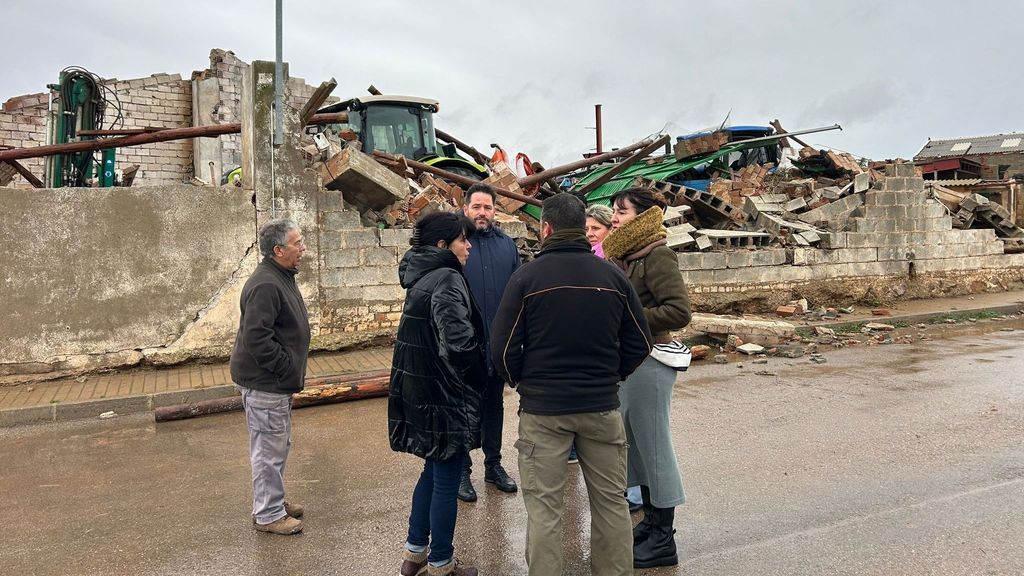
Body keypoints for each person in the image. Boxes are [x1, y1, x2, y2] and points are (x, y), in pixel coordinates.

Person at [490, 193, 654, 576]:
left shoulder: (526, 278)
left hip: (544, 412)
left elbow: (500, 350)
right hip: (600, 407)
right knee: (611, 505)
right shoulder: (612, 275)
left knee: (545, 510)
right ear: (582, 228)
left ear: (545, 228)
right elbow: (640, 342)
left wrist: (524, 383)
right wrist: (609, 378)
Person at [389, 212, 486, 576]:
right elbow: (459, 345)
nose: (470, 246)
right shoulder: (446, 278)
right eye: (464, 240)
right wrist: (480, 375)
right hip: (445, 396)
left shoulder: (422, 275)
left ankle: (414, 555)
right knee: (446, 478)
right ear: (443, 245)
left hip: (423, 391)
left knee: (431, 471)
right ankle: (442, 562)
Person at [602, 187, 693, 569]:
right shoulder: (624, 256)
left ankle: (663, 538)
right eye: (614, 212)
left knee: (654, 448)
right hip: (631, 363)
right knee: (636, 446)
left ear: (642, 216)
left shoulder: (657, 254)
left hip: (652, 363)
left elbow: (678, 311)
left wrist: (629, 318)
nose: (614, 219)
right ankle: (651, 522)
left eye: (621, 212)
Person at [230, 218, 311, 536]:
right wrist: (284, 367)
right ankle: (268, 514)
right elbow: (256, 338)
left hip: (274, 383)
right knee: (268, 449)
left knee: (276, 445)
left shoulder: (280, 275)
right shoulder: (266, 283)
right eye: (297, 243)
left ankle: (272, 502)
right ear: (279, 250)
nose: (302, 249)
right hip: (266, 383)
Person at [458, 183, 521, 501]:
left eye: (488, 207)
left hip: (496, 346)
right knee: (462, 409)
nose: (482, 213)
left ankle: (493, 466)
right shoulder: (454, 242)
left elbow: (517, 294)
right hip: (462, 348)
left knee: (494, 406)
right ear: (465, 206)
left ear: (496, 211)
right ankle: (461, 471)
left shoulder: (506, 246)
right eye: (477, 206)